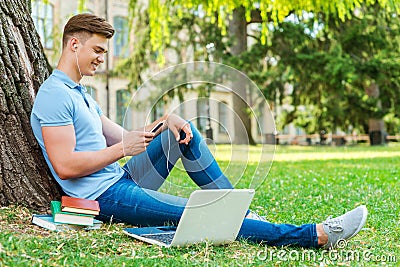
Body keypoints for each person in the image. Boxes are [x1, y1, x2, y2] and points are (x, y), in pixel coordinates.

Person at [30, 13, 368, 249]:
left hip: (120, 179)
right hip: (103, 197)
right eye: (98, 50)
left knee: (181, 132)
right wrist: (122, 150)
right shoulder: (54, 96)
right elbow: (65, 166)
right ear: (74, 44)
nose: (104, 58)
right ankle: (315, 236)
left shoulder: (79, 94)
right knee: (198, 213)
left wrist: (166, 122)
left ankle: (239, 211)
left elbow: (122, 135)